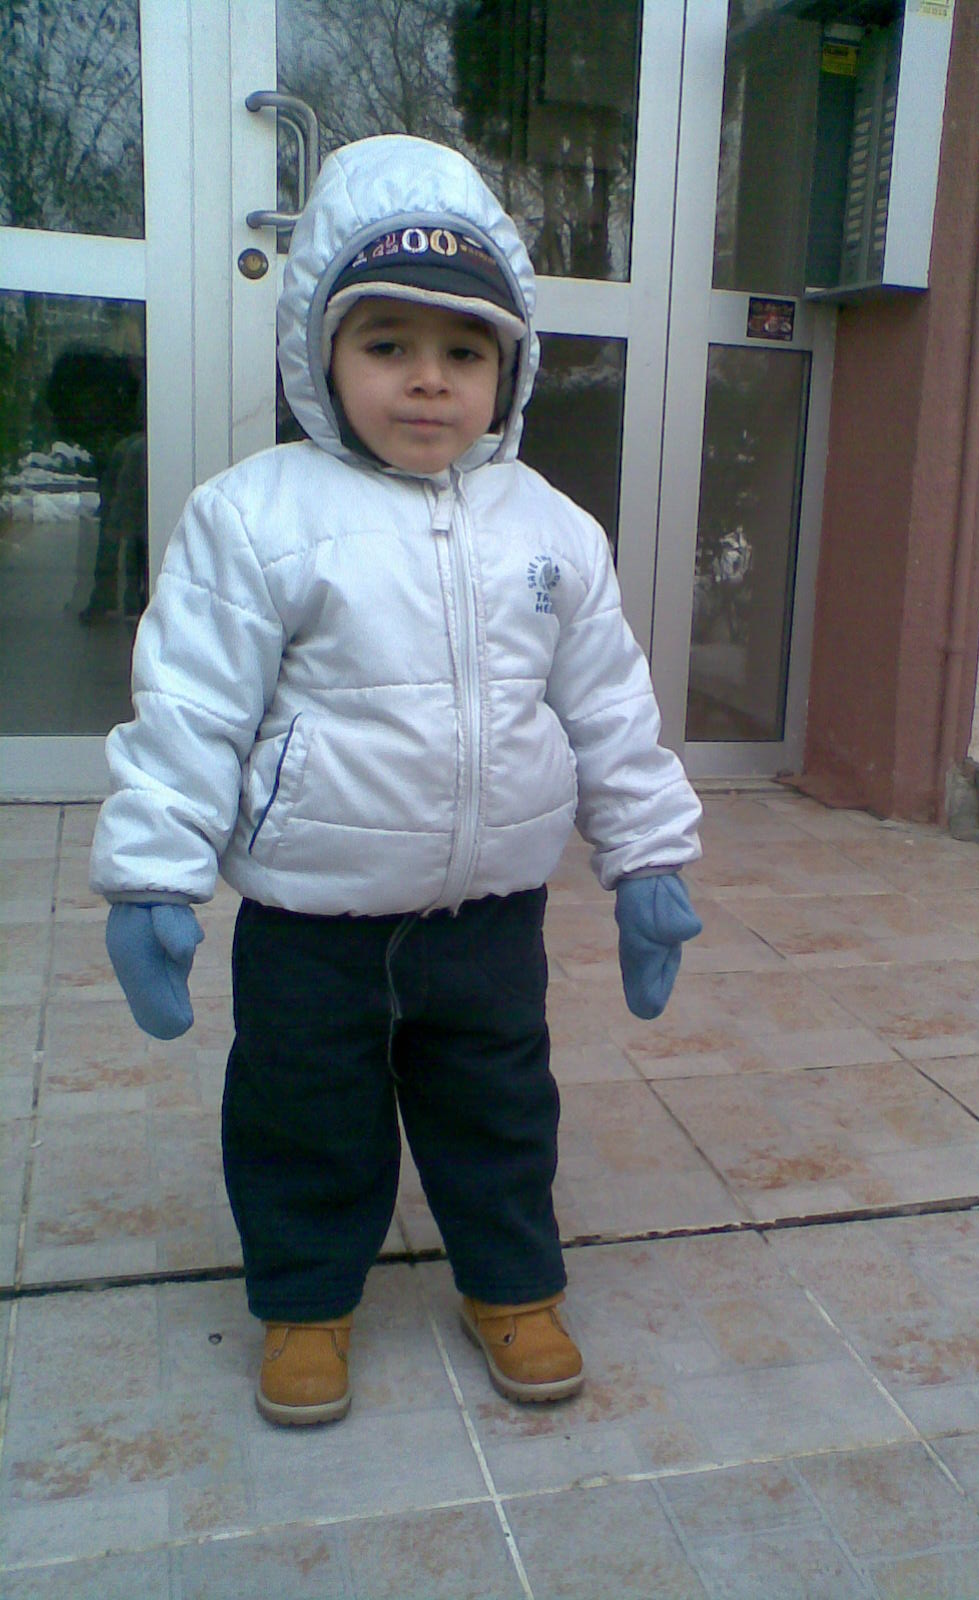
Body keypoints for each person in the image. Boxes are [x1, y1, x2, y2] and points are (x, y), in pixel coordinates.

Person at [89, 135, 703, 1426]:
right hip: (313, 917)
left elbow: (610, 705)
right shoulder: (256, 516)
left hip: (490, 915)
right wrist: (153, 876)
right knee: (304, 1115)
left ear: (510, 371)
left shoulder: (553, 528)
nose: (428, 380)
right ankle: (306, 1302)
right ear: (321, 353)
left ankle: (513, 1285)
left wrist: (648, 856)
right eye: (387, 345)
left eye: (464, 353)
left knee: (500, 1108)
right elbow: (192, 707)